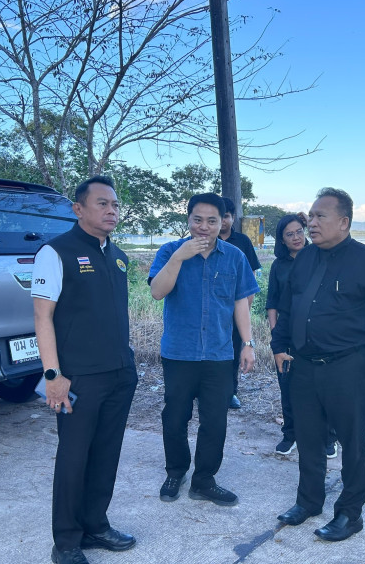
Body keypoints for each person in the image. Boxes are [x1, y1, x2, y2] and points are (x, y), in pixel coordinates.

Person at [270, 187, 365, 542]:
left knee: (352, 441)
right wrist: (279, 346)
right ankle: (308, 501)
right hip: (303, 365)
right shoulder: (304, 258)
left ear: (344, 222)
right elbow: (288, 307)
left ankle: (350, 514)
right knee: (308, 437)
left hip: (348, 366)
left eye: (320, 216)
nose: (311, 223)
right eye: (310, 216)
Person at [32, 175, 138, 564]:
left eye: (115, 204)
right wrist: (52, 376)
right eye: (102, 203)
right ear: (78, 209)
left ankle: (96, 525)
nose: (112, 210)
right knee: (74, 459)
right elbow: (42, 318)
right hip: (78, 378)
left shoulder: (118, 256)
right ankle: (66, 541)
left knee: (106, 454)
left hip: (119, 373)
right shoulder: (55, 252)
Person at [149, 193, 259, 506]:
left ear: (223, 222)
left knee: (215, 422)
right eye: (197, 219)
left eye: (212, 220)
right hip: (179, 353)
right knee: (175, 418)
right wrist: (178, 258)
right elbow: (157, 292)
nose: (204, 226)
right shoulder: (170, 251)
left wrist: (247, 344)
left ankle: (204, 480)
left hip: (219, 353)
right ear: (188, 220)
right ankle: (176, 472)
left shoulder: (234, 256)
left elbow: (241, 302)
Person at [267, 215, 338, 458]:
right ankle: (290, 434)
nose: (296, 237)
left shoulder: (320, 257)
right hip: (287, 337)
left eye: (299, 231)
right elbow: (273, 303)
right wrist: (276, 335)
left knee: (323, 389)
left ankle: (328, 437)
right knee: (287, 387)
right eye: (290, 234)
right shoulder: (279, 266)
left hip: (318, 337)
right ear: (282, 240)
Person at [218, 196, 261, 409]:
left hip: (236, 307)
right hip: (213, 309)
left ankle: (230, 392)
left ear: (233, 218)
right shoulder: (203, 240)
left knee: (234, 350)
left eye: (226, 216)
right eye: (219, 217)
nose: (222, 221)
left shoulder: (242, 241)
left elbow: (250, 277)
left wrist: (245, 309)